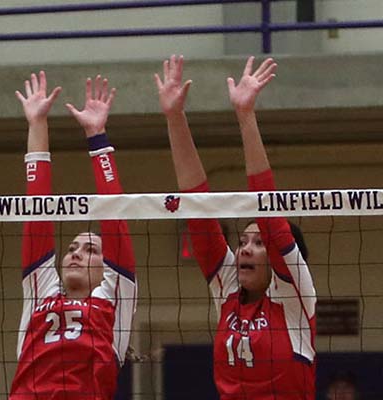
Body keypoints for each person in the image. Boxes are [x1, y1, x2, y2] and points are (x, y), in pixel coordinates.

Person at [156, 55, 315, 399]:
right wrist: (175, 118)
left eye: (258, 243)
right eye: (243, 240)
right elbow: (198, 209)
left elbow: (269, 211)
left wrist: (246, 115)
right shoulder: (228, 288)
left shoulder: (293, 296)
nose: (244, 248)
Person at [9, 71, 137, 400]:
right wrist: (37, 125)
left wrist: (97, 136)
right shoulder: (41, 292)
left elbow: (114, 217)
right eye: (72, 248)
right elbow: (37, 213)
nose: (76, 253)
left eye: (90, 249)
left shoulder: (114, 298)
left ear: (107, 264)